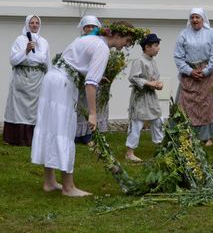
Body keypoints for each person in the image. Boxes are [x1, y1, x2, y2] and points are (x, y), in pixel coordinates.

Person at [31, 21, 136, 197]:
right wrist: (93, 114)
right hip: (62, 85)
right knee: (64, 131)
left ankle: (49, 181)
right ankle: (68, 187)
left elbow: (76, 62)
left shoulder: (90, 38)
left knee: (51, 129)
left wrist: (93, 75)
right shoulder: (102, 48)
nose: (126, 45)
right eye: (127, 40)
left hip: (52, 80)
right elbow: (90, 85)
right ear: (116, 35)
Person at [174, 8, 213, 146]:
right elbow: (178, 56)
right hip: (190, 74)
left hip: (208, 73)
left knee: (207, 104)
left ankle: (208, 137)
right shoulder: (183, 34)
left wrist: (206, 71)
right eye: (192, 17)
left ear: (203, 19)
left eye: (197, 17)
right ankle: (189, 134)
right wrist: (189, 71)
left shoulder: (211, 33)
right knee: (187, 105)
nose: (195, 20)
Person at [3, 15, 50, 146]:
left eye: (37, 23)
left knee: (35, 109)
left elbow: (46, 61)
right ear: (27, 24)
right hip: (22, 77)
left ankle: (33, 137)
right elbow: (13, 60)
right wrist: (26, 51)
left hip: (37, 79)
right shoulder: (20, 39)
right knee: (19, 108)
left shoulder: (44, 42)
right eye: (32, 23)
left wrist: (49, 78)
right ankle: (16, 138)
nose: (34, 25)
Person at [125, 33, 164, 162]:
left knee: (157, 120)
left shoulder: (152, 61)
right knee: (137, 123)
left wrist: (158, 84)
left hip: (151, 97)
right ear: (147, 47)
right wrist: (148, 83)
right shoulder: (139, 61)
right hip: (140, 98)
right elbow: (133, 78)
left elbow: (155, 77)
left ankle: (160, 147)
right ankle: (130, 152)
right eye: (156, 45)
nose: (158, 48)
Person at [74, 15, 112, 144]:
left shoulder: (101, 42)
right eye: (87, 26)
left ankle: (93, 134)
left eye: (93, 26)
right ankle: (80, 134)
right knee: (83, 106)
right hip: (83, 79)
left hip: (96, 78)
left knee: (97, 106)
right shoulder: (80, 41)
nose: (90, 28)